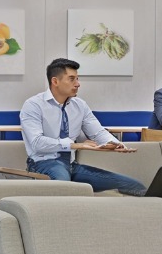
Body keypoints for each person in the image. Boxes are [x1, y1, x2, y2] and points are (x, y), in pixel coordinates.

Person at [20, 58, 147, 195]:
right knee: (65, 187)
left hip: (71, 165)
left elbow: (98, 132)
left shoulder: (80, 105)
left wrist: (116, 144)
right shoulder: (33, 105)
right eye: (71, 79)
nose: (78, 84)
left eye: (77, 79)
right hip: (42, 163)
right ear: (55, 81)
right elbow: (37, 143)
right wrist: (77, 145)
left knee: (135, 186)